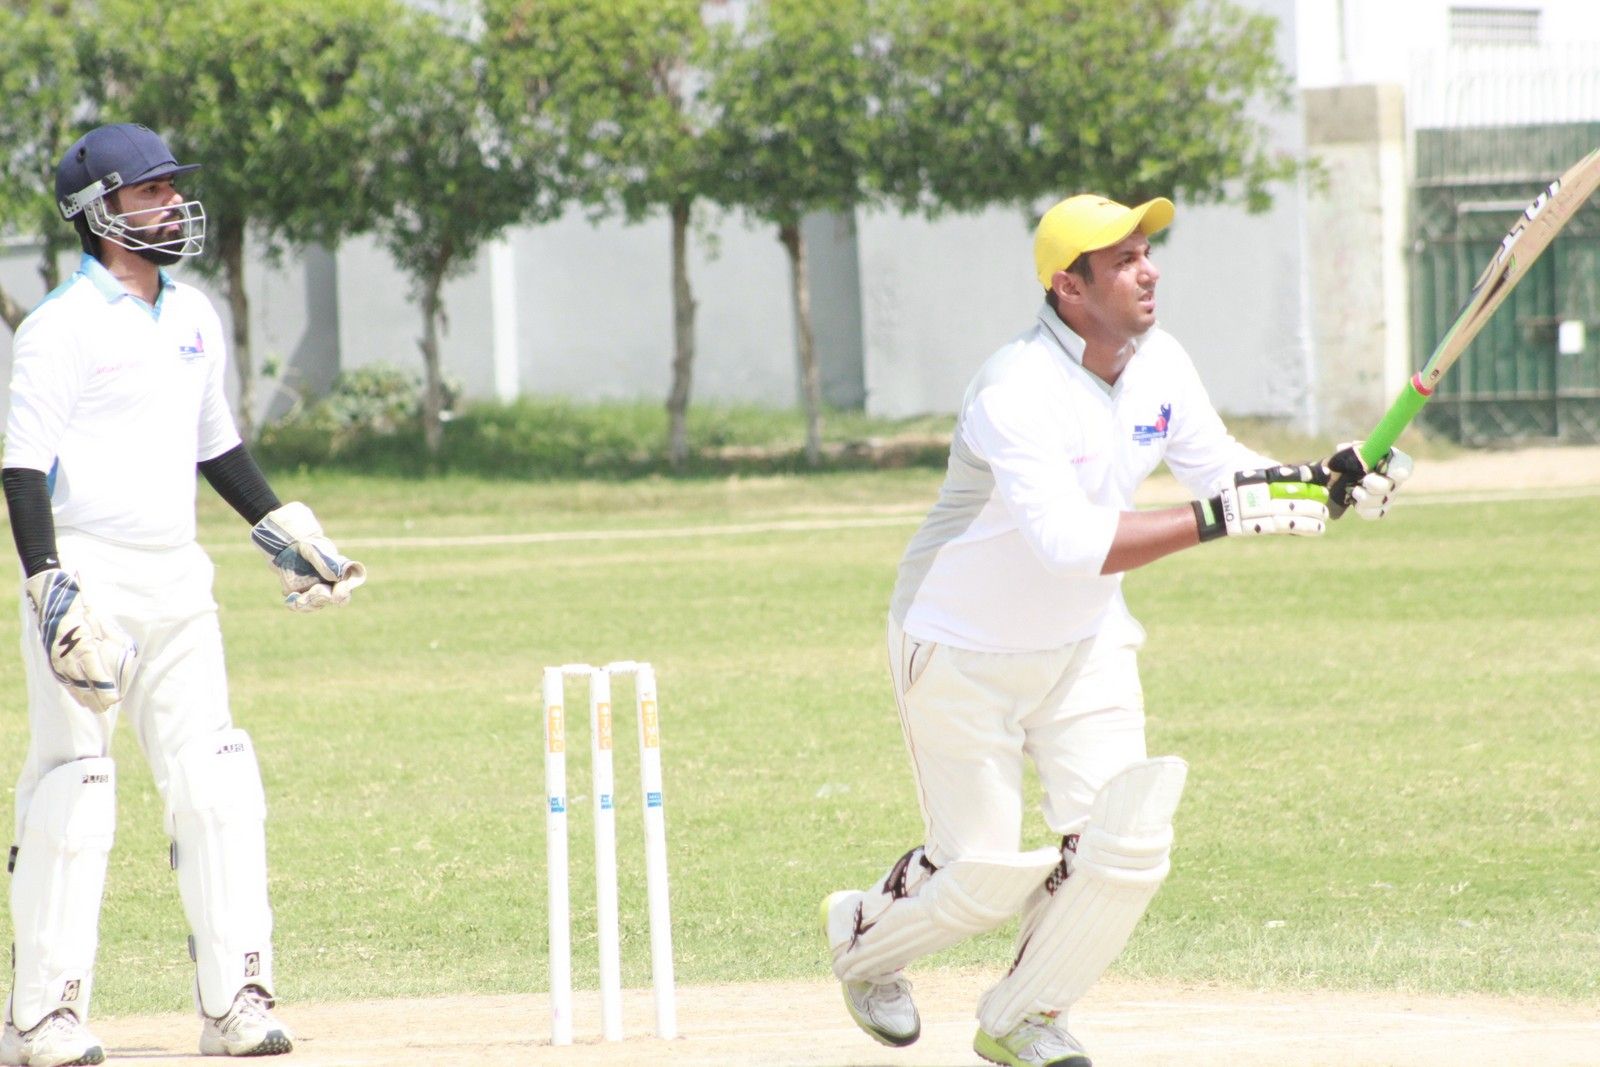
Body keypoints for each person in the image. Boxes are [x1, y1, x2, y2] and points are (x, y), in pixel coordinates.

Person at [819, 194, 1412, 1067]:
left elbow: (1224, 473)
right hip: (957, 645)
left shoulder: (1160, 362)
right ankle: (862, 937)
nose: (1150, 270)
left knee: (1124, 841)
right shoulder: (1015, 389)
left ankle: (1025, 1013)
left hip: (1087, 641)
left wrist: (1326, 480)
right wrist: (1219, 517)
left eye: (1148, 251)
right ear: (1070, 285)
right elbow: (1069, 544)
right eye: (1125, 259)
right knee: (976, 876)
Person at [1, 123, 366, 1066]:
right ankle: (40, 1017)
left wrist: (280, 528)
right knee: (77, 788)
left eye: (172, 188)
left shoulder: (194, 314)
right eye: (151, 191)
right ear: (99, 212)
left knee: (219, 781)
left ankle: (236, 999)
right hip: (86, 576)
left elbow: (217, 449)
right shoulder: (58, 327)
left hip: (177, 575)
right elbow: (22, 468)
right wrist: (47, 584)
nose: (171, 204)